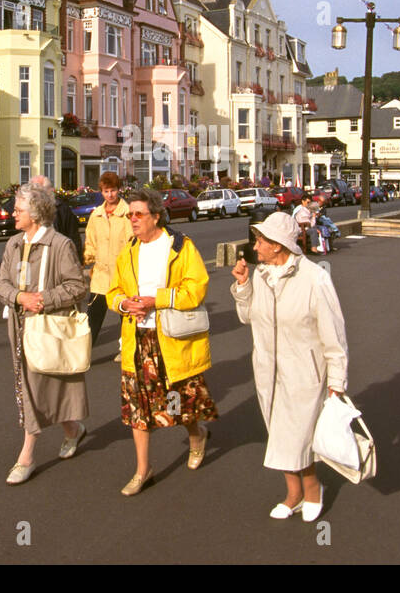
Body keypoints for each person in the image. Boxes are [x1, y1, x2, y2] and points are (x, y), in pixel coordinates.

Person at [231, 212, 348, 523]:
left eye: (260, 241)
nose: (255, 247)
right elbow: (247, 317)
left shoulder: (314, 278)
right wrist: (243, 286)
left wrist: (337, 380)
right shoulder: (261, 275)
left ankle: (312, 489)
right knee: (278, 432)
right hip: (267, 368)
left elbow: (334, 333)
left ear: (278, 246)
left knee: (298, 436)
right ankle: (293, 492)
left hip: (304, 371)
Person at [107, 188, 217, 496]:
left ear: (156, 216)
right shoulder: (128, 250)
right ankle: (143, 469)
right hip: (137, 338)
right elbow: (113, 291)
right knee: (138, 408)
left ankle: (197, 436)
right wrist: (124, 305)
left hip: (170, 337)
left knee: (179, 401)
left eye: (139, 214)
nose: (133, 220)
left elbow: (197, 289)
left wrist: (157, 300)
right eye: (130, 215)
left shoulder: (180, 247)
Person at [0, 182, 89, 484]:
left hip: (48, 327)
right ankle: (72, 429)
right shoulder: (13, 244)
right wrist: (20, 298)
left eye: (18, 210)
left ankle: (27, 455)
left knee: (39, 385)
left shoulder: (60, 245)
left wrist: (43, 299)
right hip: (19, 327)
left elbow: (77, 286)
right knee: (33, 383)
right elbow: (1, 284)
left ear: (34, 214)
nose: (12, 214)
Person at [83, 171, 132, 362]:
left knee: (125, 316)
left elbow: (133, 242)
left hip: (123, 275)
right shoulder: (96, 215)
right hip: (101, 275)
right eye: (106, 191)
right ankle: (83, 353)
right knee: (93, 316)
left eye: (113, 190)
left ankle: (126, 350)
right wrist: (86, 259)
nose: (110, 195)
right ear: (101, 192)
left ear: (118, 190)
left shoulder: (128, 213)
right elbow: (90, 242)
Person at [30, 174, 82, 260]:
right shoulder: (27, 210)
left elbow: (73, 236)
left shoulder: (62, 209)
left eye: (37, 191)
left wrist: (78, 259)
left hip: (58, 258)